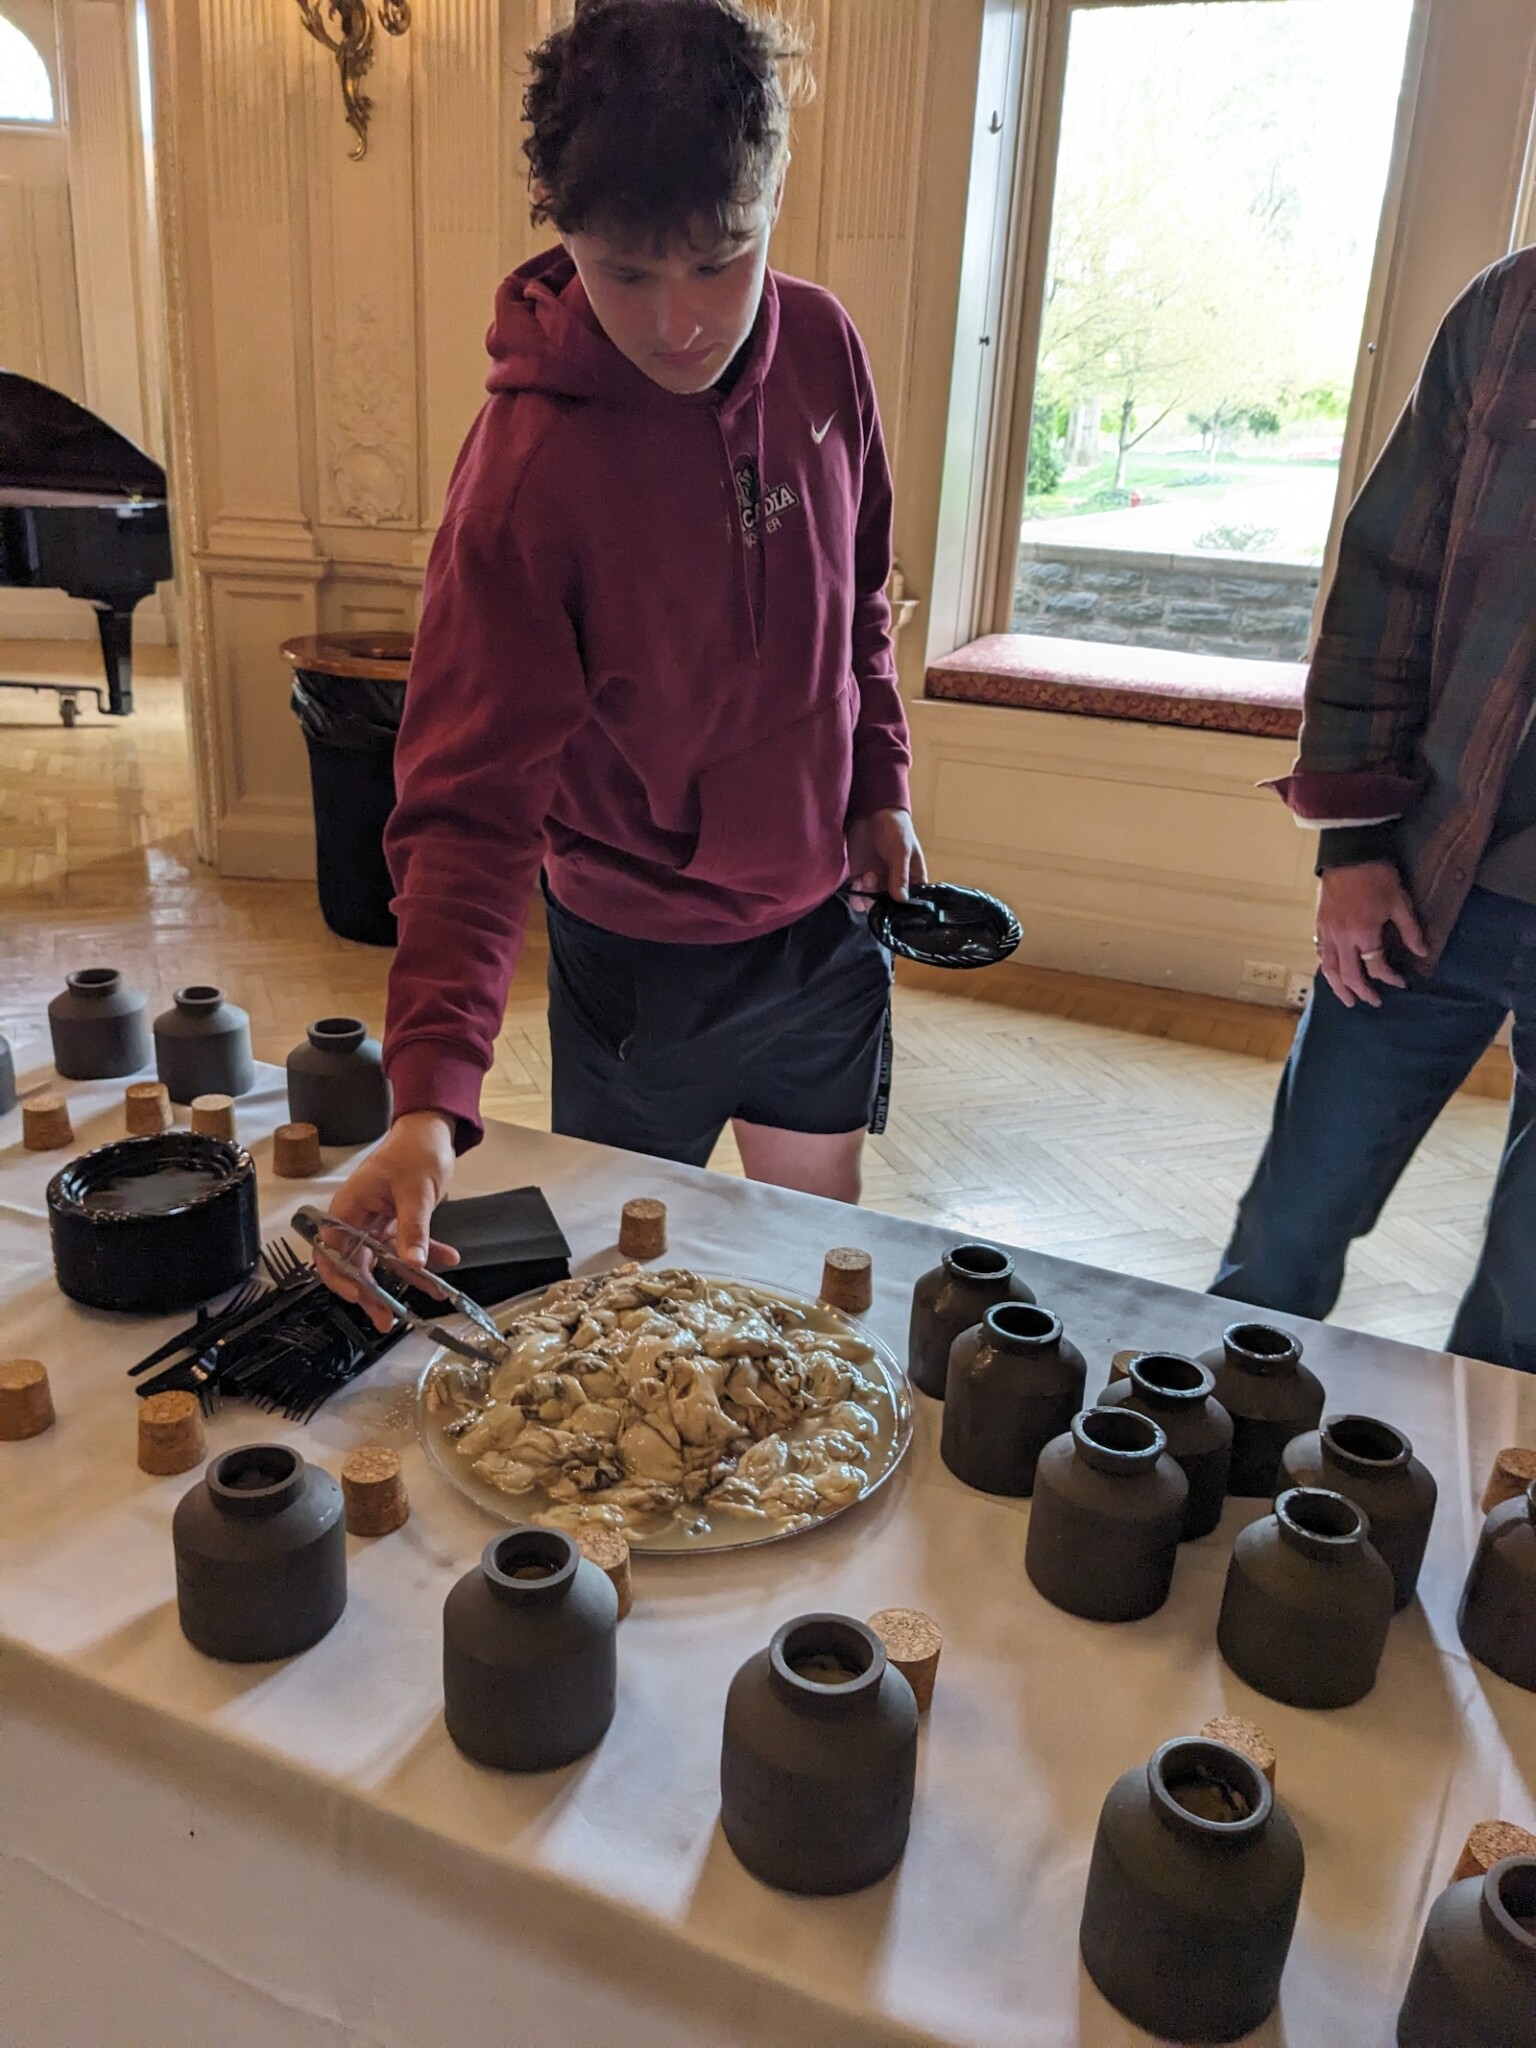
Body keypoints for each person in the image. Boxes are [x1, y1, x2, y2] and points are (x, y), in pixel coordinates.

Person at [325, 0, 921, 1310]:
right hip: (638, 961)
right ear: (560, 226)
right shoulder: (529, 480)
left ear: (771, 200)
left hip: (827, 927)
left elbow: (862, 598)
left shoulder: (825, 349)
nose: (677, 322)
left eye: (720, 259)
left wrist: (879, 780)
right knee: (638, 1301)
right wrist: (429, 1098)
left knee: (806, 1280)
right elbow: (467, 809)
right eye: (626, 271)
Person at [1211, 244, 1536, 1373]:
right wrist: (1352, 843)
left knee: (1529, 1309)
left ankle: (1480, 1536)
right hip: (1432, 876)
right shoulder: (1508, 314)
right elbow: (1384, 580)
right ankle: (1205, 1474)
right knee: (1289, 1228)